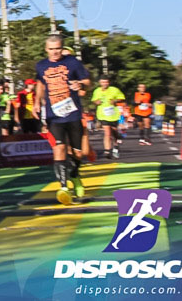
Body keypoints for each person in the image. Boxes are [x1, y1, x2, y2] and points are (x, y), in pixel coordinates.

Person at [34, 35, 90, 205]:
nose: (54, 52)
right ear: (46, 49)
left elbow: (87, 80)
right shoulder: (41, 65)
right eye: (51, 49)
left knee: (78, 153)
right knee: (59, 148)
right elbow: (41, 84)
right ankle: (64, 187)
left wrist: (81, 85)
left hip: (72, 113)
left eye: (57, 48)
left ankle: (75, 176)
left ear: (62, 48)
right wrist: (36, 102)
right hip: (54, 115)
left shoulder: (73, 63)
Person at [91, 77, 124, 159]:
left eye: (106, 82)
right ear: (100, 82)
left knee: (114, 132)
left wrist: (115, 101)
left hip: (113, 115)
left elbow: (122, 98)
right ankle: (107, 150)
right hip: (102, 115)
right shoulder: (97, 91)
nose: (104, 84)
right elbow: (94, 100)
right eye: (103, 82)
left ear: (109, 82)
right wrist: (96, 102)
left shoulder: (114, 90)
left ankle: (116, 145)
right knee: (107, 133)